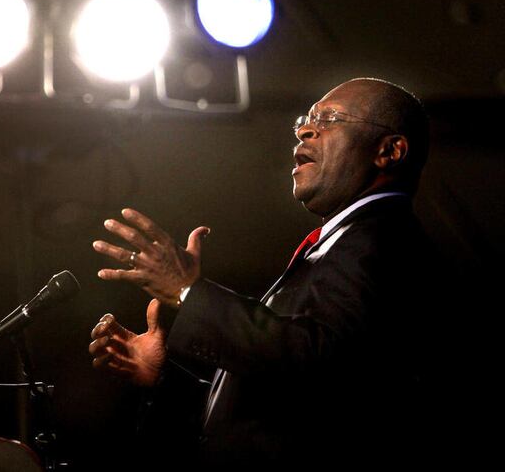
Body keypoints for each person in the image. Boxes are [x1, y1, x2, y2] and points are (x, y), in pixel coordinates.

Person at [88, 78, 441, 467]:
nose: (306, 129)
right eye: (307, 119)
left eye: (330, 119)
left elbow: (317, 359)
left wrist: (188, 290)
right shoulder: (346, 240)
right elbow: (286, 405)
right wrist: (163, 378)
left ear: (389, 150)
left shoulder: (383, 238)